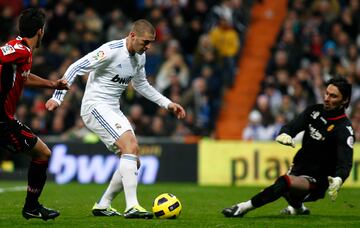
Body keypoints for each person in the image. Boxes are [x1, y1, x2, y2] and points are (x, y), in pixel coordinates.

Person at [45, 19, 186, 219]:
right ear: (132, 35)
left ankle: (104, 204)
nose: (148, 46)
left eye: (151, 43)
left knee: (132, 160)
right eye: (145, 42)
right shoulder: (110, 50)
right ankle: (132, 206)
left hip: (112, 108)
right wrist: (57, 98)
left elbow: (141, 85)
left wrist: (167, 103)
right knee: (130, 148)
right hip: (94, 106)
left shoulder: (140, 57)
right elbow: (76, 67)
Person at [222, 77, 354, 217]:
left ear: (344, 100)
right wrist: (285, 133)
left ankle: (241, 208)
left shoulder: (344, 129)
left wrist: (339, 178)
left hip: (318, 179)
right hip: (299, 167)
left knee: (284, 182)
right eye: (327, 93)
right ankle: (298, 209)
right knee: (281, 189)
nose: (327, 98)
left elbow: (345, 162)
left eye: (333, 96)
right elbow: (292, 126)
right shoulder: (314, 111)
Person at [0, 8, 69, 220]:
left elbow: (24, 77)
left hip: (6, 118)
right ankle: (31, 207)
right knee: (43, 154)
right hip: (2, 119)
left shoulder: (19, 50)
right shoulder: (21, 50)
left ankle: (31, 207)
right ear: (40, 31)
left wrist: (52, 84)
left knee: (42, 153)